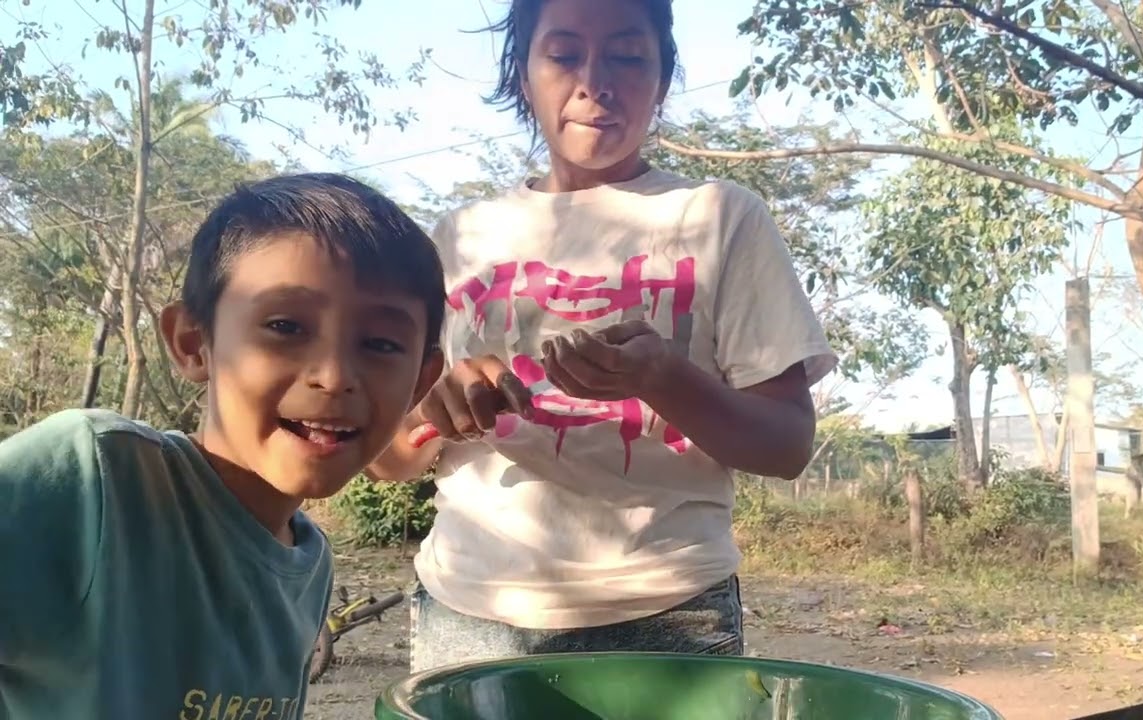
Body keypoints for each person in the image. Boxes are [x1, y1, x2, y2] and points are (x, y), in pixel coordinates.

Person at [367, 0, 836, 672]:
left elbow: (787, 444)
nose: (595, 82)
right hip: (467, 612)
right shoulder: (459, 236)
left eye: (627, 54)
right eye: (562, 55)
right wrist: (435, 412)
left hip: (669, 611)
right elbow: (387, 460)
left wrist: (663, 379)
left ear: (663, 79)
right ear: (523, 76)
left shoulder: (720, 216)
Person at [0, 173, 445, 719]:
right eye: (285, 326)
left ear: (422, 382)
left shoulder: (308, 561)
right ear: (193, 344)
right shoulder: (94, 480)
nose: (333, 376)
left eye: (380, 343)